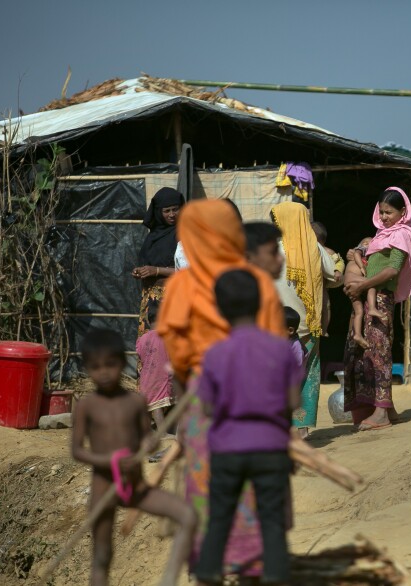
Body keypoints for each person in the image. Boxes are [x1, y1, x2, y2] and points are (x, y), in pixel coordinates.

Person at [157, 199, 285, 579]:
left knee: (208, 488)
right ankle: (254, 564)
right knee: (259, 495)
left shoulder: (182, 284)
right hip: (256, 400)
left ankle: (210, 565)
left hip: (204, 401)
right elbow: (275, 346)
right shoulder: (256, 281)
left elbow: (175, 349)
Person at [194, 271, 301, 585]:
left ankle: (209, 576)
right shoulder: (281, 349)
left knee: (219, 520)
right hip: (270, 446)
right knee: (272, 523)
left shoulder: (215, 354)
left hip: (227, 447)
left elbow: (207, 407)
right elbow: (292, 401)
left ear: (220, 309)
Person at [72, 328, 196, 586]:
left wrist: (149, 443)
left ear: (122, 363)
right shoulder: (86, 405)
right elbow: (77, 450)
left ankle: (169, 580)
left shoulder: (137, 401)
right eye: (95, 367)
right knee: (103, 554)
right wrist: (109, 461)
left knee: (188, 516)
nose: (103, 372)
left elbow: (147, 440)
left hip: (137, 487)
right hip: (103, 488)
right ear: (87, 368)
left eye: (111, 364)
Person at [343, 187, 411, 431]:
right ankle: (388, 409)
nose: (384, 217)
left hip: (381, 300)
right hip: (368, 297)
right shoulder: (382, 235)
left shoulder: (402, 235)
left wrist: (363, 285)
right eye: (382, 212)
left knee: (379, 353)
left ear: (403, 211)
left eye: (389, 212)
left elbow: (392, 270)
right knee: (368, 353)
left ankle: (381, 414)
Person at [270, 202, 338, 439]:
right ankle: (301, 429)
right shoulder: (315, 249)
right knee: (307, 377)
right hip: (308, 326)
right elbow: (336, 277)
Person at [132, 187, 184, 335]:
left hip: (174, 299)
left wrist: (156, 270)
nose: (172, 215)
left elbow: (189, 270)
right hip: (151, 301)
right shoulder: (153, 237)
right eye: (167, 211)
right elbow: (147, 262)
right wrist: (140, 271)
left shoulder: (185, 233)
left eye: (175, 209)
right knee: (152, 348)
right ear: (158, 212)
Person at [135, 305, 174, 429]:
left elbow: (140, 356)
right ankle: (163, 435)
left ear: (147, 320)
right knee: (158, 407)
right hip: (161, 379)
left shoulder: (142, 339)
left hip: (146, 380)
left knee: (148, 406)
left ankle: (147, 433)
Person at [311, 221, 345, 334]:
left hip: (322, 286)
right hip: (309, 288)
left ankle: (324, 329)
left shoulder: (327, 252)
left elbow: (339, 262)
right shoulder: (303, 250)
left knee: (326, 306)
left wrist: (338, 271)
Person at [344, 236, 378, 349]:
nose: (367, 245)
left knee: (359, 312)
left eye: (370, 243)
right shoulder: (359, 252)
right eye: (365, 242)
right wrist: (362, 267)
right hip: (351, 278)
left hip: (353, 283)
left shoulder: (369, 258)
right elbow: (356, 254)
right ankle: (372, 308)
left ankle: (357, 335)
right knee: (372, 283)